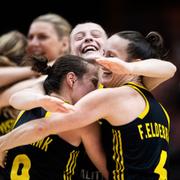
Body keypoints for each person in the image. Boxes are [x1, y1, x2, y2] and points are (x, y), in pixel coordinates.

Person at [0, 30, 176, 179]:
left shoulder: (111, 97)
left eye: (111, 56)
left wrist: (3, 143)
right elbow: (169, 69)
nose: (102, 60)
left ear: (135, 65)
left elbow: (41, 127)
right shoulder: (155, 105)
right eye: (103, 53)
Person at [1, 54, 108, 180]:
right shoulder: (83, 121)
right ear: (71, 79)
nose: (97, 90)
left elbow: (15, 98)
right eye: (94, 82)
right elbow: (108, 172)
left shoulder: (31, 102)